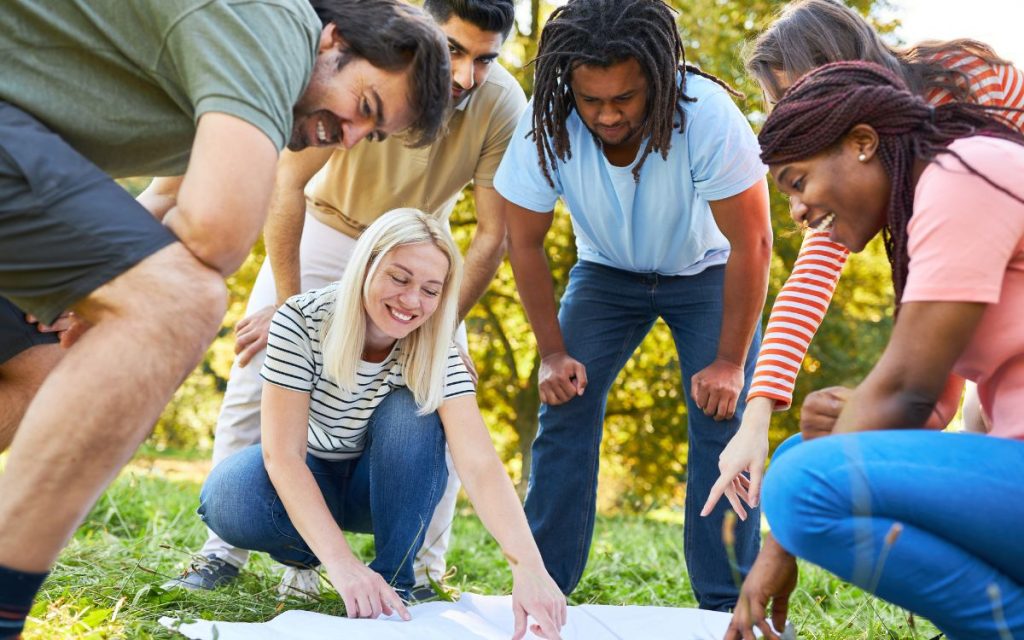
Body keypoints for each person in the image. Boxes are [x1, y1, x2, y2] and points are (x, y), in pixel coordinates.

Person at [0, 1, 450, 637]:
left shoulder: (232, 76)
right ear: (335, 40)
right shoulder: (269, 27)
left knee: (37, 366)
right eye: (366, 108)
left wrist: (87, 295)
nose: (348, 138)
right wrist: (112, 296)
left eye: (370, 136)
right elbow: (215, 231)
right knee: (179, 300)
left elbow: (163, 196)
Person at [165, 0, 526, 597]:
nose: (465, 77)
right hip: (327, 230)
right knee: (256, 373)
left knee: (441, 397)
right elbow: (288, 181)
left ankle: (421, 572)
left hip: (415, 253)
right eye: (455, 51)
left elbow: (492, 235)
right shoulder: (375, 64)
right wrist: (287, 304)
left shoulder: (501, 104)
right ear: (426, 28)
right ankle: (221, 554)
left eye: (485, 59)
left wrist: (439, 331)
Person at [725, 60, 1024, 640]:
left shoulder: (964, 173)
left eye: (797, 181)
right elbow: (930, 404)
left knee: (799, 484)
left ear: (862, 143)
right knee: (794, 460)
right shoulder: (927, 207)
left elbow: (906, 392)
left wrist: (775, 553)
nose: (797, 212)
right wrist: (846, 416)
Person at [494, 0, 773, 610]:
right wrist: (550, 353)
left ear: (657, 77)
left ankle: (726, 605)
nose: (607, 114)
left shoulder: (705, 116)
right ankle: (542, 589)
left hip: (707, 272)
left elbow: (753, 242)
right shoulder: (548, 121)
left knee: (722, 423)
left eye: (625, 97)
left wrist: (729, 362)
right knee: (563, 406)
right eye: (592, 100)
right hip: (605, 274)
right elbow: (525, 242)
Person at [702, 0, 1024, 520]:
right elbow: (807, 283)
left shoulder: (968, 84)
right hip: (965, 310)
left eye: (794, 94)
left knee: (982, 418)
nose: (794, 115)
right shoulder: (848, 176)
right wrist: (755, 418)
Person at [199, 209, 567, 639]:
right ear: (367, 265)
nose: (412, 301)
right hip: (308, 473)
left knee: (412, 410)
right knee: (227, 497)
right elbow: (282, 456)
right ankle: (306, 561)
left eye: (431, 290)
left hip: (380, 489)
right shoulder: (300, 320)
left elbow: (480, 463)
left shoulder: (436, 348)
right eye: (400, 278)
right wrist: (343, 565)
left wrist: (529, 566)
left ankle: (396, 582)